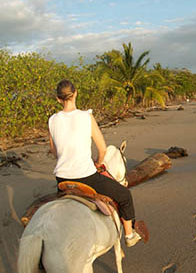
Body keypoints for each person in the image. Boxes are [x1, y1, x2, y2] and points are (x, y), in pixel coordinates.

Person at [48, 80, 142, 247]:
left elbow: (55, 152)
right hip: (86, 177)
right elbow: (103, 149)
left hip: (61, 180)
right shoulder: (86, 116)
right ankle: (129, 235)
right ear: (76, 93)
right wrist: (98, 163)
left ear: (58, 99)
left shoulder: (52, 120)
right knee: (125, 196)